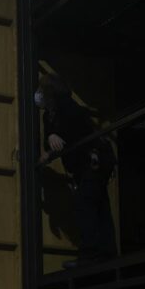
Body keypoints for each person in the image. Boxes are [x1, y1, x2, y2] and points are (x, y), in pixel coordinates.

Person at [36, 73, 117, 267]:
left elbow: (73, 134)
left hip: (95, 159)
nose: (38, 94)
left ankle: (91, 254)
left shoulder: (69, 108)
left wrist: (55, 136)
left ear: (50, 93)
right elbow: (52, 140)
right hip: (84, 164)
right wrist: (51, 138)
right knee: (98, 204)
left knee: (85, 203)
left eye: (41, 90)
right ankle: (105, 252)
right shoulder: (49, 115)